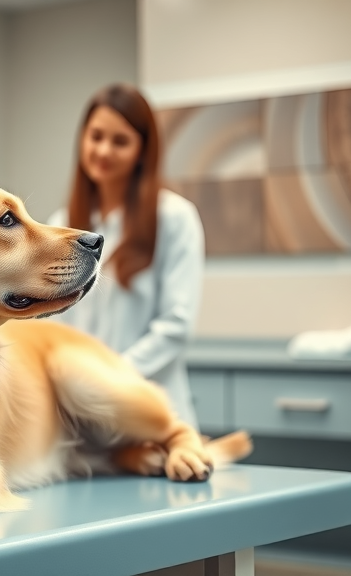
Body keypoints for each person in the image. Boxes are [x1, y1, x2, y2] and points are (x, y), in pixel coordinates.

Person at [47, 83, 205, 429]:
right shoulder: (61, 224)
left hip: (150, 409)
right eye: (96, 136)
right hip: (82, 414)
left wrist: (111, 376)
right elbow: (51, 321)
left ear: (142, 151)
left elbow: (176, 325)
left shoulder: (174, 218)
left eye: (120, 141)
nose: (103, 150)